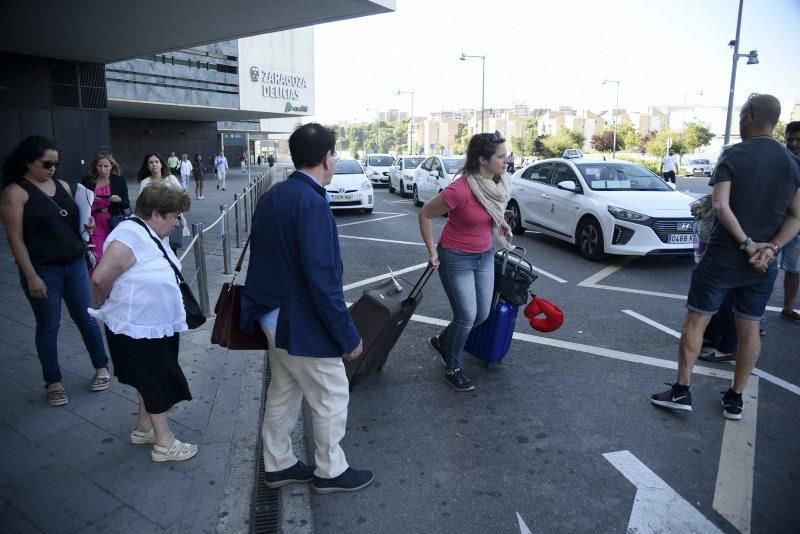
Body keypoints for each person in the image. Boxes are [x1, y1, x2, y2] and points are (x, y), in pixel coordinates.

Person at [240, 123, 373, 494]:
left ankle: (279, 463)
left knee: (285, 389)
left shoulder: (275, 194)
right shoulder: (312, 203)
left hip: (270, 313)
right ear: (327, 158)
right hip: (297, 319)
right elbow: (323, 281)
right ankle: (330, 471)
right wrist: (348, 337)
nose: (335, 160)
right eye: (334, 154)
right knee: (331, 393)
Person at [650, 93, 800, 421]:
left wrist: (747, 244)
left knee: (696, 320)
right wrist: (770, 248)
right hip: (764, 265)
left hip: (723, 256)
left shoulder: (733, 154)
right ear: (774, 121)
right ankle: (735, 399)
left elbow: (719, 205)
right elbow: (796, 216)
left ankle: (682, 390)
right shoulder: (793, 163)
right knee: (749, 329)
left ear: (748, 117)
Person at [90, 184, 198, 462]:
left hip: (151, 325)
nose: (177, 223)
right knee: (156, 381)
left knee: (147, 378)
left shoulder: (148, 232)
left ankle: (144, 428)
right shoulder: (130, 235)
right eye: (174, 217)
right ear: (154, 214)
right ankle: (164, 443)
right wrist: (102, 303)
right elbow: (100, 278)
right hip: (137, 327)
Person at [0, 136, 110, 405]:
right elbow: (15, 239)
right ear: (28, 161)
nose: (52, 168)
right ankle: (53, 381)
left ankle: (102, 366)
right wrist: (31, 275)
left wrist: (88, 227)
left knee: (86, 318)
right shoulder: (15, 192)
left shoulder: (62, 185)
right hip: (42, 269)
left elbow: (76, 220)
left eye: (56, 164)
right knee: (48, 326)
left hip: (74, 264)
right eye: (46, 163)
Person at [419, 131, 513, 392]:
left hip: (484, 256)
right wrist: (432, 251)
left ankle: (442, 341)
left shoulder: (499, 184)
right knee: (467, 316)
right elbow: (425, 214)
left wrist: (500, 224)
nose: (507, 161)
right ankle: (453, 367)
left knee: (482, 313)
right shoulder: (459, 189)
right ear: (483, 160)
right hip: (456, 257)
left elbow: (489, 215)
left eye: (507, 155)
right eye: (501, 156)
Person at [81, 153, 130, 269]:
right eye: (100, 166)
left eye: (106, 166)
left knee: (111, 252)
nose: (103, 170)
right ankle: (96, 280)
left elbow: (126, 204)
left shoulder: (119, 180)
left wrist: (119, 200)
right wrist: (91, 200)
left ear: (112, 166)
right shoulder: (88, 180)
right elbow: (80, 202)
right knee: (98, 252)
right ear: (95, 166)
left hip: (112, 221)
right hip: (93, 221)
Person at [779, 121, 800, 323]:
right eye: (789, 139)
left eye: (798, 140)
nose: (793, 143)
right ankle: (755, 316)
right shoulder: (780, 161)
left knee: (795, 269)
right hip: (776, 224)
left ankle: (788, 307)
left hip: (797, 226)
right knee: (766, 268)